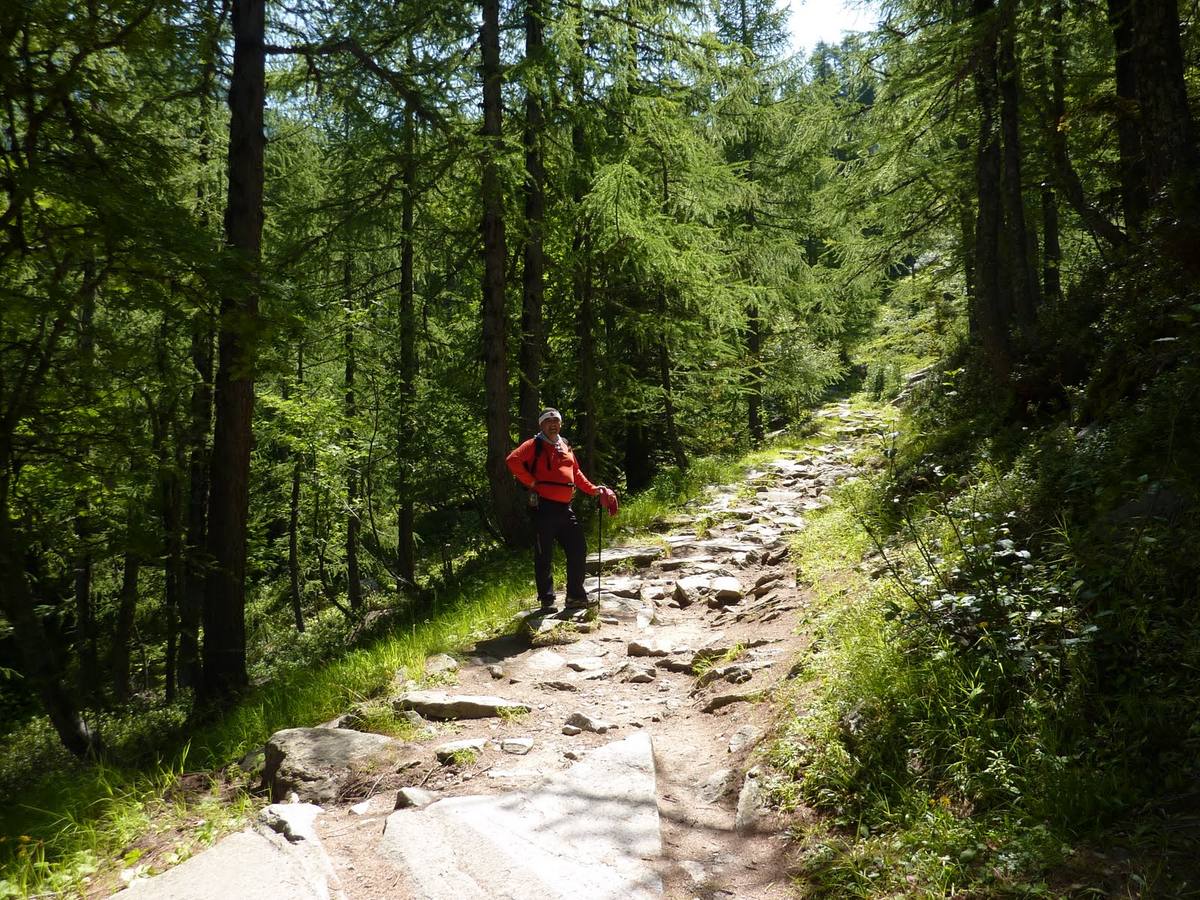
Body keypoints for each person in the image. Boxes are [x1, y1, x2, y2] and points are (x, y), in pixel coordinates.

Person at [506, 408, 618, 612]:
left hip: (565, 508)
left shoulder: (565, 445)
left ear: (560, 424)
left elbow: (575, 473)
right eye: (548, 421)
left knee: (578, 549)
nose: (553, 424)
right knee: (544, 554)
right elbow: (512, 460)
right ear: (541, 425)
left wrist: (595, 489)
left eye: (556, 420)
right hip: (543, 508)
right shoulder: (534, 444)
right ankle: (547, 600)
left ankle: (575, 596)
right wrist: (531, 482)